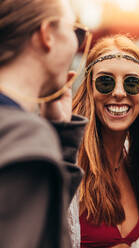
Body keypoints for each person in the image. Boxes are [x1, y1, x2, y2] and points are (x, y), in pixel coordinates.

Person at [0, 0, 89, 247]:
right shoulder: (24, 137)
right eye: (75, 30)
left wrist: (59, 138)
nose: (78, 44)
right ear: (47, 34)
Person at [72, 34, 139, 248]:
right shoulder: (68, 162)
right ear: (89, 88)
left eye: (132, 83)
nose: (119, 92)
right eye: (105, 82)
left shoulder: (136, 160)